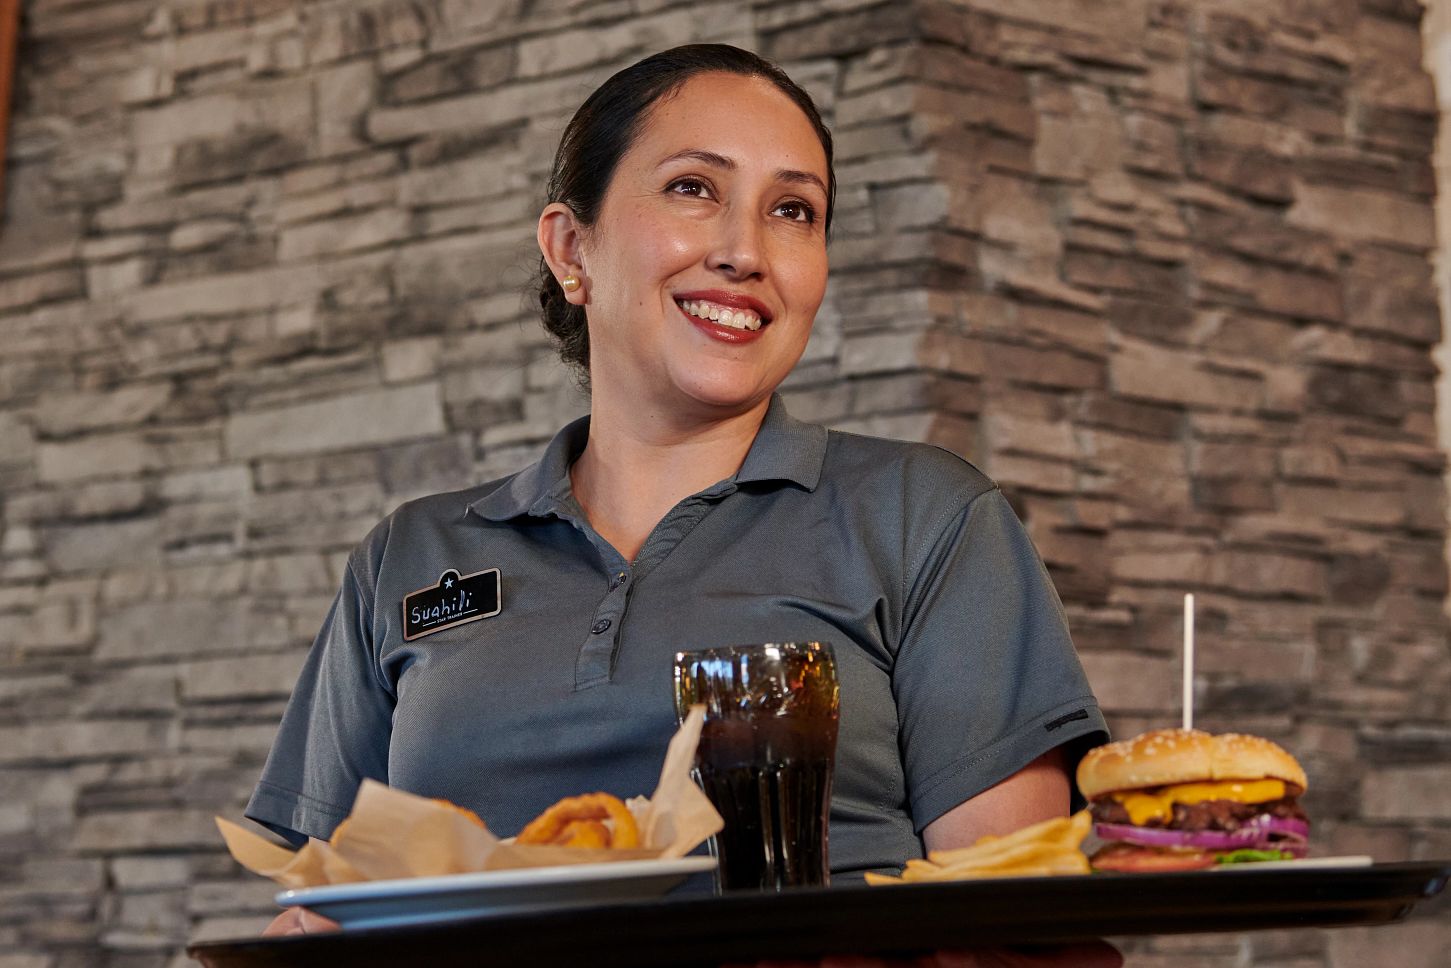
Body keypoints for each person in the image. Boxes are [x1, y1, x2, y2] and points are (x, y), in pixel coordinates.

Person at [252, 45, 1119, 966]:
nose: (745, 251)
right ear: (570, 248)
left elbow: (1019, 936)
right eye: (693, 189)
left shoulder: (924, 517)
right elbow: (320, 908)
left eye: (793, 211)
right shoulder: (410, 557)